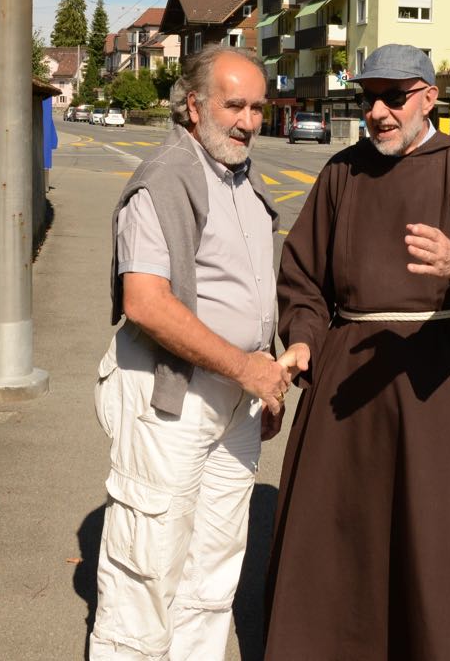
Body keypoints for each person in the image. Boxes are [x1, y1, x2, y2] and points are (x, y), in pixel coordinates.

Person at [264, 43, 450, 660]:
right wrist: (304, 339)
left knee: (443, 523)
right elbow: (303, 275)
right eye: (369, 99)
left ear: (429, 99)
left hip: (440, 372)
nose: (379, 112)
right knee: (340, 518)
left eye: (394, 97)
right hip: (350, 368)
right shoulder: (342, 173)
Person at [91, 44, 295, 660]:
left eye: (259, 107)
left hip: (236, 399)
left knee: (214, 560)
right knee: (147, 563)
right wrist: (248, 369)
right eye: (235, 105)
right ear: (193, 105)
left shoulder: (238, 173)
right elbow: (147, 304)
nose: (249, 121)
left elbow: (253, 289)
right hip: (172, 396)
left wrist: (267, 374)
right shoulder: (165, 178)